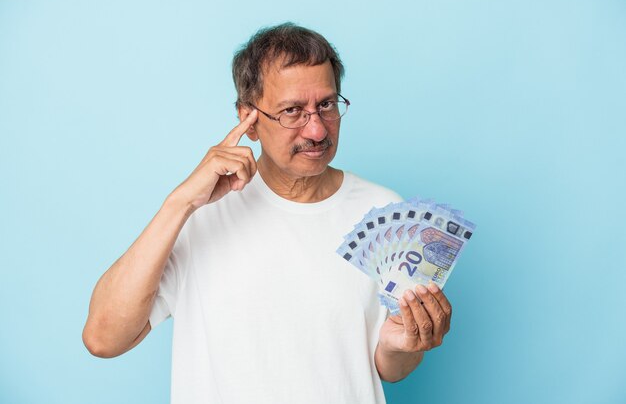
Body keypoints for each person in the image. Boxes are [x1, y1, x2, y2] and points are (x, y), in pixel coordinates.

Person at [83, 22, 453, 404]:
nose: (315, 130)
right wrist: (179, 204)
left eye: (326, 105)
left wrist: (403, 347)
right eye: (292, 111)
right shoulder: (200, 214)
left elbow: (389, 369)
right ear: (250, 119)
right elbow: (103, 338)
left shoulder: (385, 213)